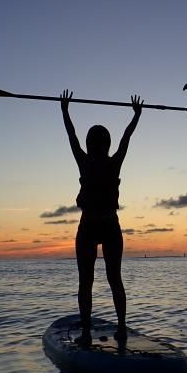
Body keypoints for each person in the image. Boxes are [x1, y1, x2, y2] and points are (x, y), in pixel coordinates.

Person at [60, 89, 143, 342]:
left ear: (92, 144)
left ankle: (89, 330)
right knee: (111, 278)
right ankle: (119, 327)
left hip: (93, 225)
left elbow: (72, 136)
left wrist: (65, 111)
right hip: (107, 225)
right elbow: (126, 138)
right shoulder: (113, 162)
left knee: (88, 280)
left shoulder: (86, 162)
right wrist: (136, 116)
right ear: (106, 144)